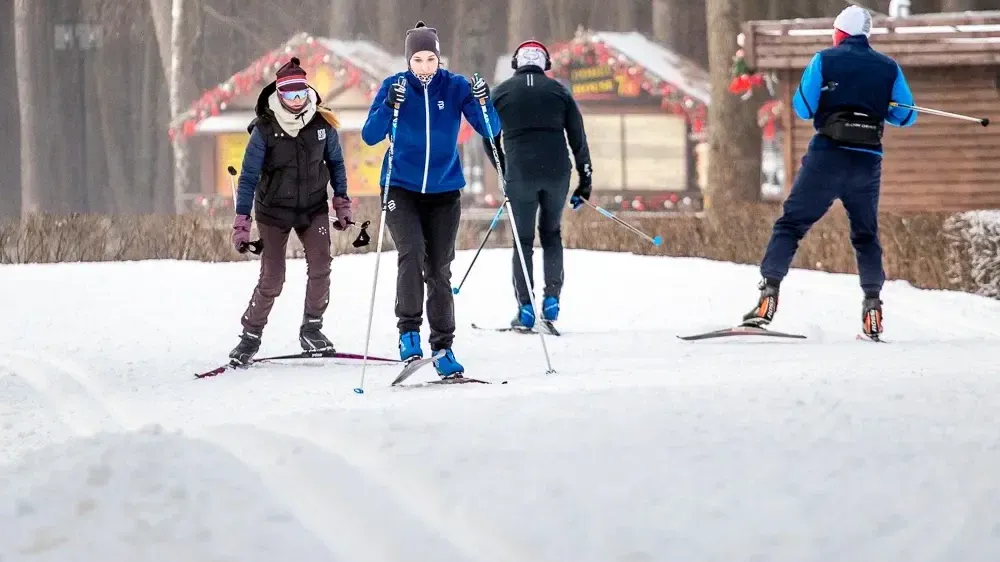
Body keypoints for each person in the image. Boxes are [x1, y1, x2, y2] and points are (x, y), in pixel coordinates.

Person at [741, 5, 916, 340]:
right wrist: (883, 104)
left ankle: (768, 295)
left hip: (828, 157)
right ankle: (872, 308)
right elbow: (905, 117)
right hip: (867, 162)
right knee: (865, 235)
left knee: (790, 225)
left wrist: (826, 96)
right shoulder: (888, 67)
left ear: (840, 33)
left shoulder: (824, 59)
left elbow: (803, 108)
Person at [361, 21, 501, 377]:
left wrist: (485, 100)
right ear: (409, 60)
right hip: (401, 188)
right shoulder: (394, 86)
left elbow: (489, 129)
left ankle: (443, 346)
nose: (425, 66)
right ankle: (408, 333)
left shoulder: (455, 87)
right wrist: (386, 107)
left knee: (439, 268)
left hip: (443, 191)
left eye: (430, 59)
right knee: (411, 252)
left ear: (439, 58)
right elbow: (370, 135)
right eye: (418, 59)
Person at [228, 57, 353, 364]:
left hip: (312, 207)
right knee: (273, 278)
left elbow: (336, 163)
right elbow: (248, 177)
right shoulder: (265, 130)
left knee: (322, 265)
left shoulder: (322, 123)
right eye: (290, 95)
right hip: (273, 211)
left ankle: (312, 328)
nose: (297, 101)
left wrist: (342, 200)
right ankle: (250, 336)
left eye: (301, 93)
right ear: (279, 95)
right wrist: (242, 222)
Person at [484, 39, 593, 330]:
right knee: (552, 233)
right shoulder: (560, 91)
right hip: (557, 172)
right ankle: (552, 299)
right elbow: (578, 138)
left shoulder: (501, 92)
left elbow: (488, 136)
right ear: (545, 64)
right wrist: (585, 181)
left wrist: (504, 169)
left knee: (523, 241)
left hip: (520, 172)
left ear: (516, 63)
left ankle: (526, 308)